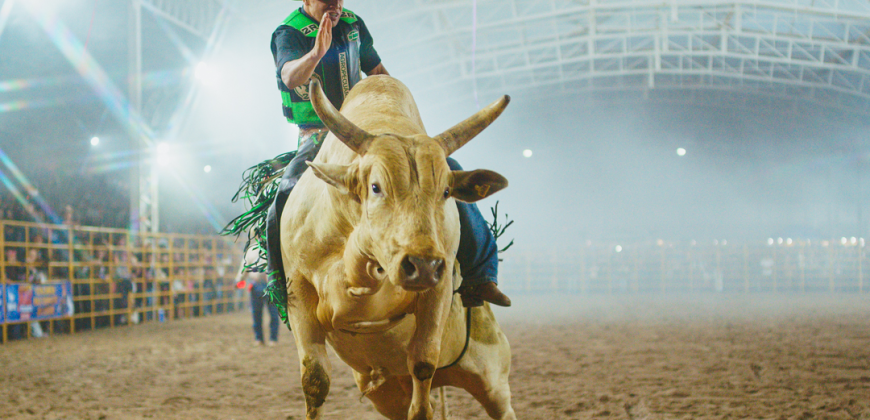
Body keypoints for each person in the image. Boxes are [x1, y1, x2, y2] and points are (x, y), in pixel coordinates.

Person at [266, 0, 511, 307]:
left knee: (444, 171)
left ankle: (481, 275)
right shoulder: (288, 32)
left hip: (371, 135)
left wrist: (399, 113)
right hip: (319, 136)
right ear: (306, 1)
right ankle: (284, 285)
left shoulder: (354, 24)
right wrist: (316, 53)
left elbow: (378, 72)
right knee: (286, 191)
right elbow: (290, 76)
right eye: (328, 0)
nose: (336, 5)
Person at [235, 245, 279, 346]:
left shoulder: (273, 247)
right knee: (256, 314)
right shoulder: (251, 250)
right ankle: (259, 338)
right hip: (256, 284)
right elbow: (244, 266)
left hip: (271, 284)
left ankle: (273, 338)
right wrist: (239, 280)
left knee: (273, 314)